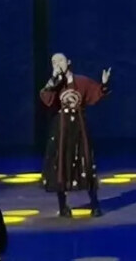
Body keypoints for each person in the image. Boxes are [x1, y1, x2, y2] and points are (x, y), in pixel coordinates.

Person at [39, 52, 111, 217]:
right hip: (61, 128)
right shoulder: (54, 84)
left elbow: (96, 93)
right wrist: (54, 80)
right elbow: (46, 98)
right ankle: (63, 206)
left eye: (61, 60)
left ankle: (95, 203)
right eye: (54, 61)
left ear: (69, 62)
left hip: (79, 127)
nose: (57, 63)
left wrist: (104, 84)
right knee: (61, 163)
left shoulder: (81, 81)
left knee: (85, 161)